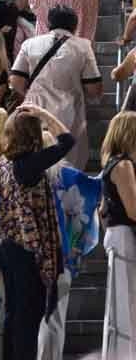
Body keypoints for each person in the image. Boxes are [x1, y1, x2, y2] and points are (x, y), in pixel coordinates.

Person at [0, 105, 75, 358]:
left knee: (14, 314)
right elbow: (67, 140)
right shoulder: (28, 164)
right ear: (33, 135)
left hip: (8, 246)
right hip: (28, 250)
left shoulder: (4, 162)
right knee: (29, 318)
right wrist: (43, 114)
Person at [10, 5, 102, 171]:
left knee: (36, 160)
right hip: (69, 114)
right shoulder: (83, 46)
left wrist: (31, 94)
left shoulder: (29, 44)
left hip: (33, 110)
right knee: (68, 163)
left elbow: (16, 81)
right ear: (75, 25)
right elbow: (94, 89)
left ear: (49, 23)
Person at [100, 112, 136, 359]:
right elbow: (133, 209)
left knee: (123, 304)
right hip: (123, 236)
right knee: (125, 307)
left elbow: (102, 210)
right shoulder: (123, 165)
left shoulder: (112, 163)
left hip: (116, 235)